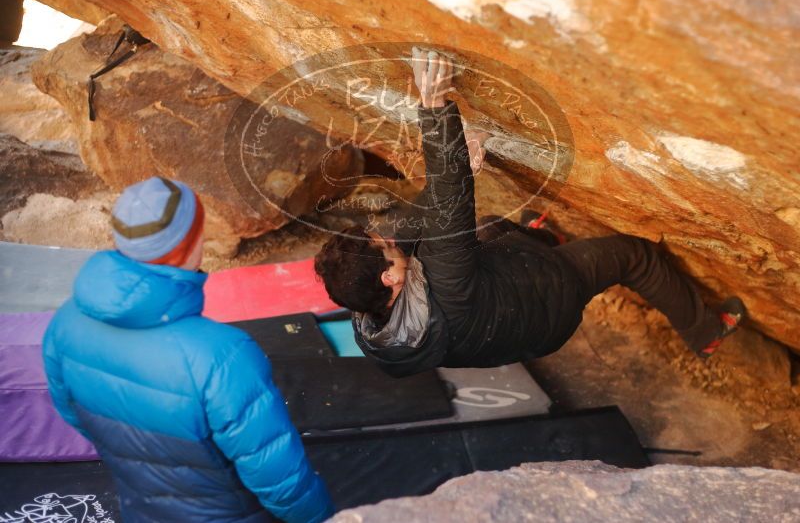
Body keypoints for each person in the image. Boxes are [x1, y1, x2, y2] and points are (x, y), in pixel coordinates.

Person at [314, 49, 746, 378]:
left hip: (495, 320)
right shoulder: (442, 290)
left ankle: (539, 235)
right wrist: (434, 106)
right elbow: (446, 207)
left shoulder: (370, 316)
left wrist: (462, 168)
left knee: (486, 228)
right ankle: (704, 332)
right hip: (545, 306)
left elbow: (424, 217)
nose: (387, 239)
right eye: (383, 248)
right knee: (634, 255)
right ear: (390, 278)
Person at [43, 177, 334, 523]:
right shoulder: (222, 356)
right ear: (190, 241)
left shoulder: (64, 323)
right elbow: (281, 482)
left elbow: (75, 415)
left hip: (141, 508)